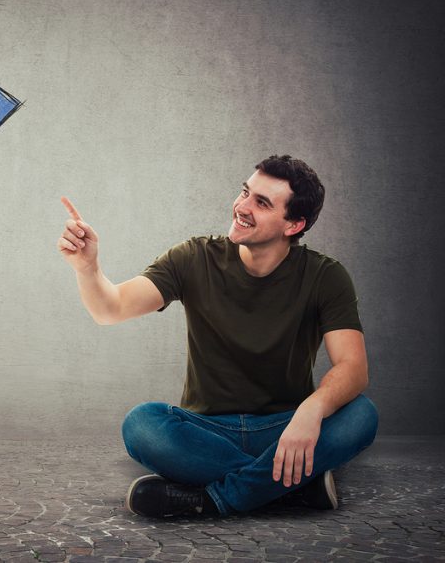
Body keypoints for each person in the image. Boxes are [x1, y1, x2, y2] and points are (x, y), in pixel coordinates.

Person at [57, 155, 378, 518]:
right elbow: (110, 309)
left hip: (285, 428)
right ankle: (293, 488)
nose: (241, 207)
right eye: (245, 192)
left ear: (294, 224)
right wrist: (88, 268)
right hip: (205, 432)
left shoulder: (325, 276)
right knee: (142, 424)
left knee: (361, 414)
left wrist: (311, 410)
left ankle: (210, 499)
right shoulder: (193, 257)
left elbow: (353, 368)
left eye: (261, 203)